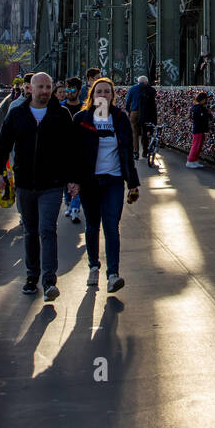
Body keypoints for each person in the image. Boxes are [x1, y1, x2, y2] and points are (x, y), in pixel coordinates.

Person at [0, 71, 81, 302]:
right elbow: (3, 144)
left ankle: (49, 280)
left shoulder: (60, 115)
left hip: (52, 184)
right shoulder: (17, 114)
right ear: (30, 89)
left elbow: (72, 147)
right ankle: (32, 276)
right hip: (24, 184)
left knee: (47, 230)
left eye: (48, 86)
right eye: (40, 87)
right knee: (30, 232)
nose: (44, 91)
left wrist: (73, 178)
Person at [72, 76, 140, 292]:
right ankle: (93, 266)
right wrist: (73, 180)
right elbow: (74, 152)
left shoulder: (120, 118)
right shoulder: (82, 118)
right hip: (90, 181)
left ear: (113, 96)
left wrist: (133, 183)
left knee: (111, 226)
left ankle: (113, 274)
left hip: (113, 180)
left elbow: (127, 152)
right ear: (92, 95)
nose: (103, 95)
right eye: (99, 91)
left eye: (107, 92)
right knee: (92, 225)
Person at [60, 77, 83, 221]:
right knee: (65, 179)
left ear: (79, 91)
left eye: (72, 89)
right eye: (67, 89)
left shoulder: (84, 108)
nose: (69, 92)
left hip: (80, 150)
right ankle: (69, 202)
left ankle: (75, 206)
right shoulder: (60, 107)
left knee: (78, 178)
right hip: (63, 150)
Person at [126, 75, 158, 160]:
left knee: (134, 133)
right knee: (145, 132)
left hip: (134, 112)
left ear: (138, 81)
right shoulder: (150, 90)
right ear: (146, 82)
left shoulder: (133, 88)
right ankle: (145, 151)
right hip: (146, 113)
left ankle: (135, 152)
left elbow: (128, 102)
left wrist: (129, 111)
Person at [186, 91, 212, 168]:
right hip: (198, 129)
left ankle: (194, 160)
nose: (206, 101)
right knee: (196, 145)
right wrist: (206, 114)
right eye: (205, 99)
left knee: (198, 146)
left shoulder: (199, 107)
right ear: (203, 99)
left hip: (200, 129)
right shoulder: (198, 108)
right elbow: (201, 117)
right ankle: (190, 161)